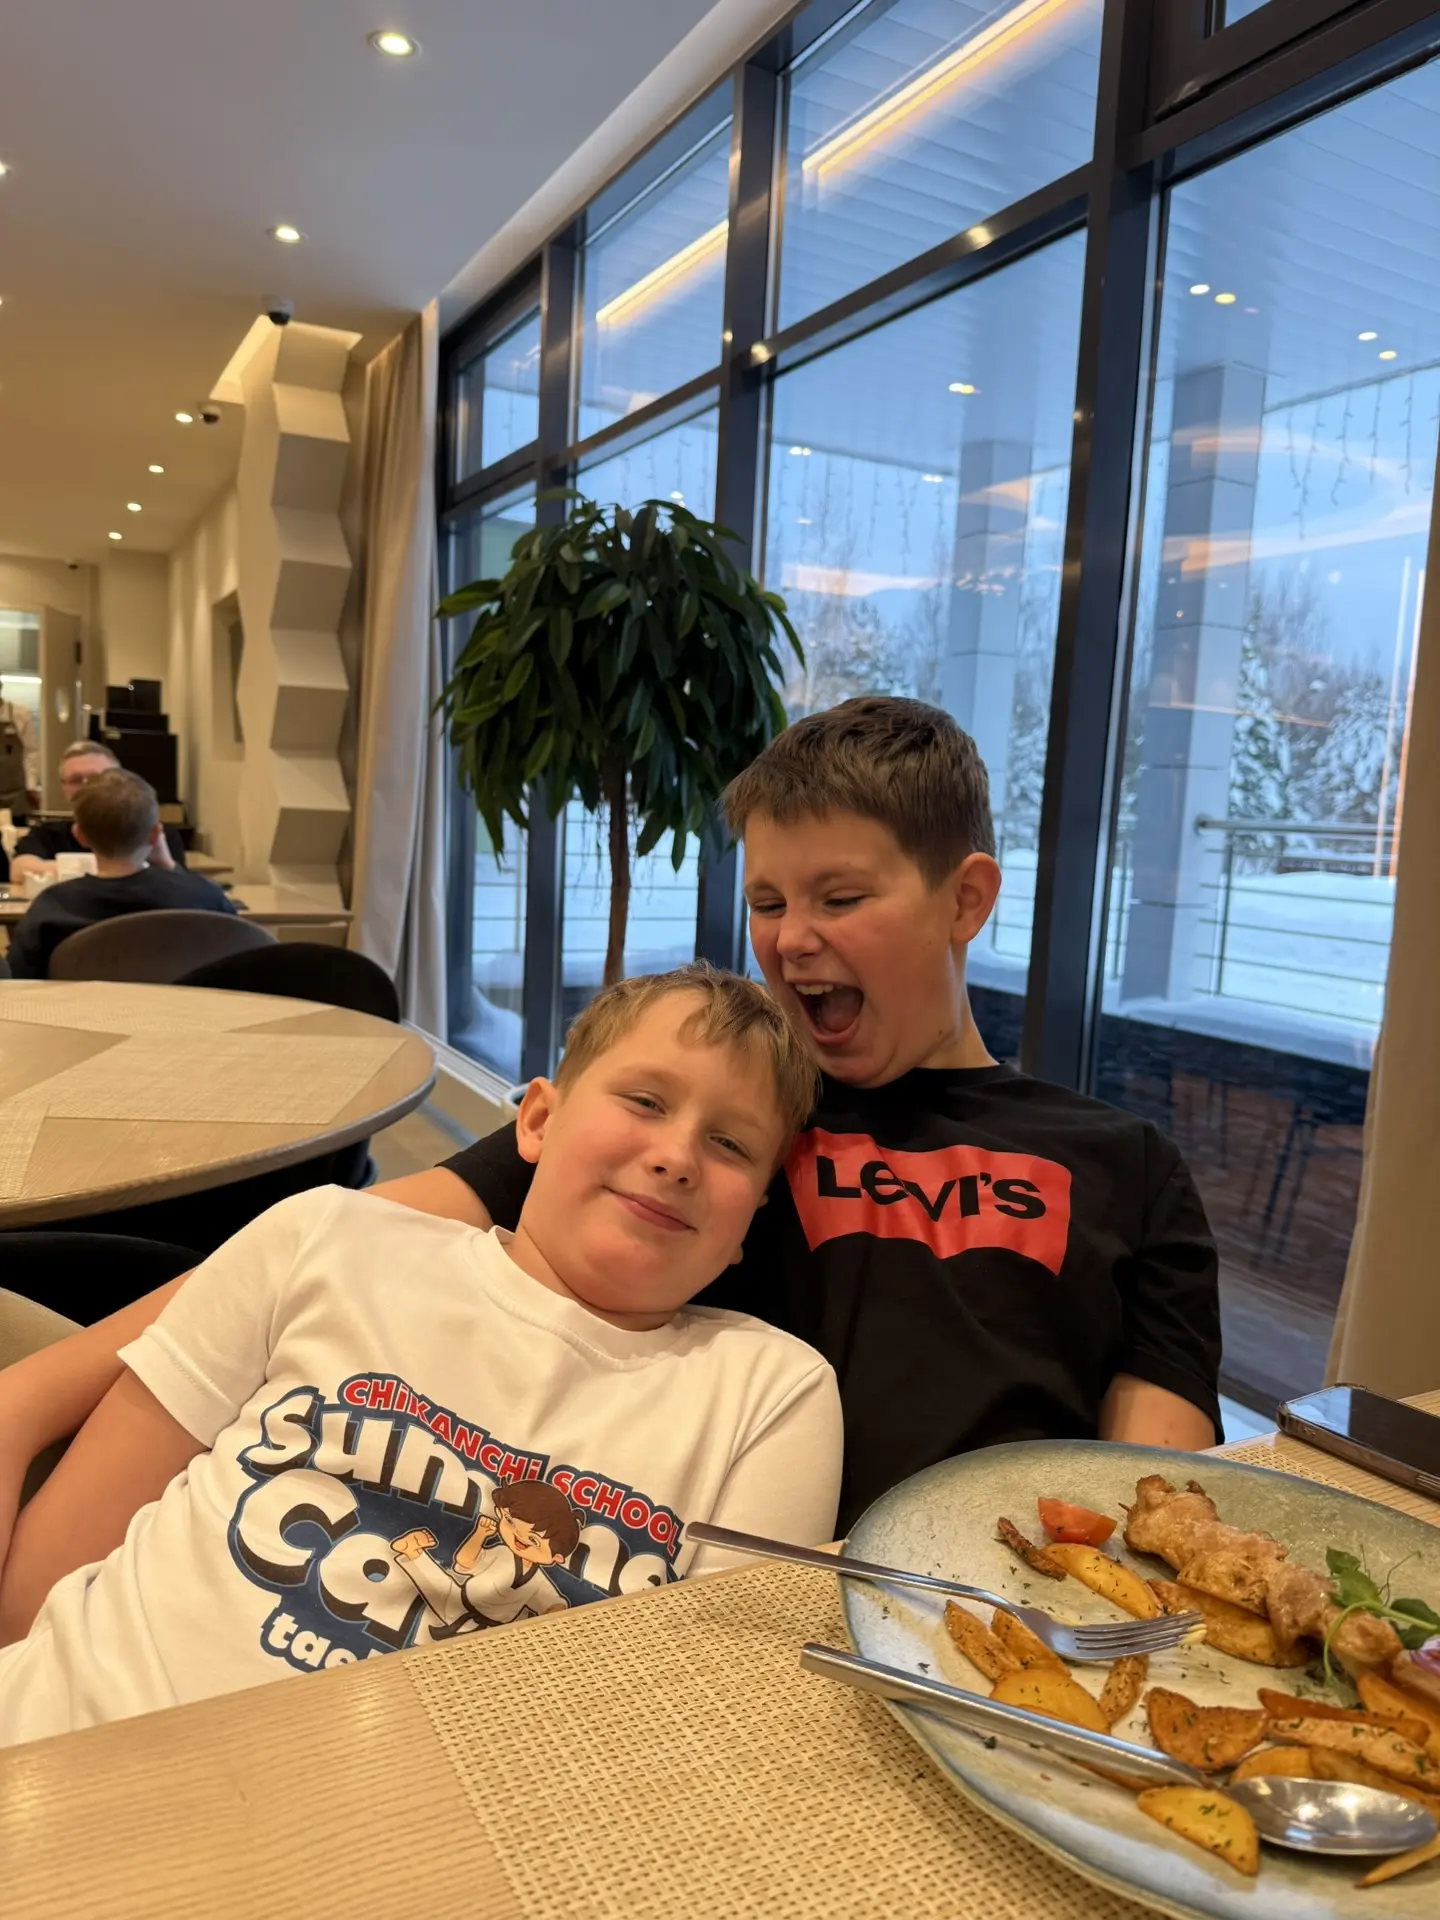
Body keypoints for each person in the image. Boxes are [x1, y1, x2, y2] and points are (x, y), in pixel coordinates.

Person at [0, 697, 1219, 1561]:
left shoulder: (1124, 1165)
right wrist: (36, 1394)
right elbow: (335, 1241)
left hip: (988, 1623)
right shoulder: (719, 1115)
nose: (791, 939)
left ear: (967, 899)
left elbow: (1165, 1502)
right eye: (768, 899)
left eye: (841, 897)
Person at [0, 965, 840, 1743]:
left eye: (730, 1145)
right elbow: (67, 1550)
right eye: (646, 1101)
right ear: (538, 1120)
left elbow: (720, 1728)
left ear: (751, 1224)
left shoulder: (771, 1394)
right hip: (69, 1734)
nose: (677, 1157)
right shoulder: (327, 1237)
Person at [4, 768, 235, 980]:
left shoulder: (52, 907)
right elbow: (239, 951)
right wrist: (170, 867)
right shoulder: (205, 898)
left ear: (80, 836)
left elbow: (19, 982)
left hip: (79, 1012)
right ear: (155, 834)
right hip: (189, 1011)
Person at [8, 740, 187, 882]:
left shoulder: (155, 833)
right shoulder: (47, 834)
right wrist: (118, 868)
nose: (87, 787)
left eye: (97, 778)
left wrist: (64, 869)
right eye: (76, 780)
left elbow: (180, 883)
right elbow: (19, 869)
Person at [0, 680, 40, 820]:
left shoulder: (19, 713)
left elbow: (31, 752)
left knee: (18, 829)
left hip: (16, 792)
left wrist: (31, 785)